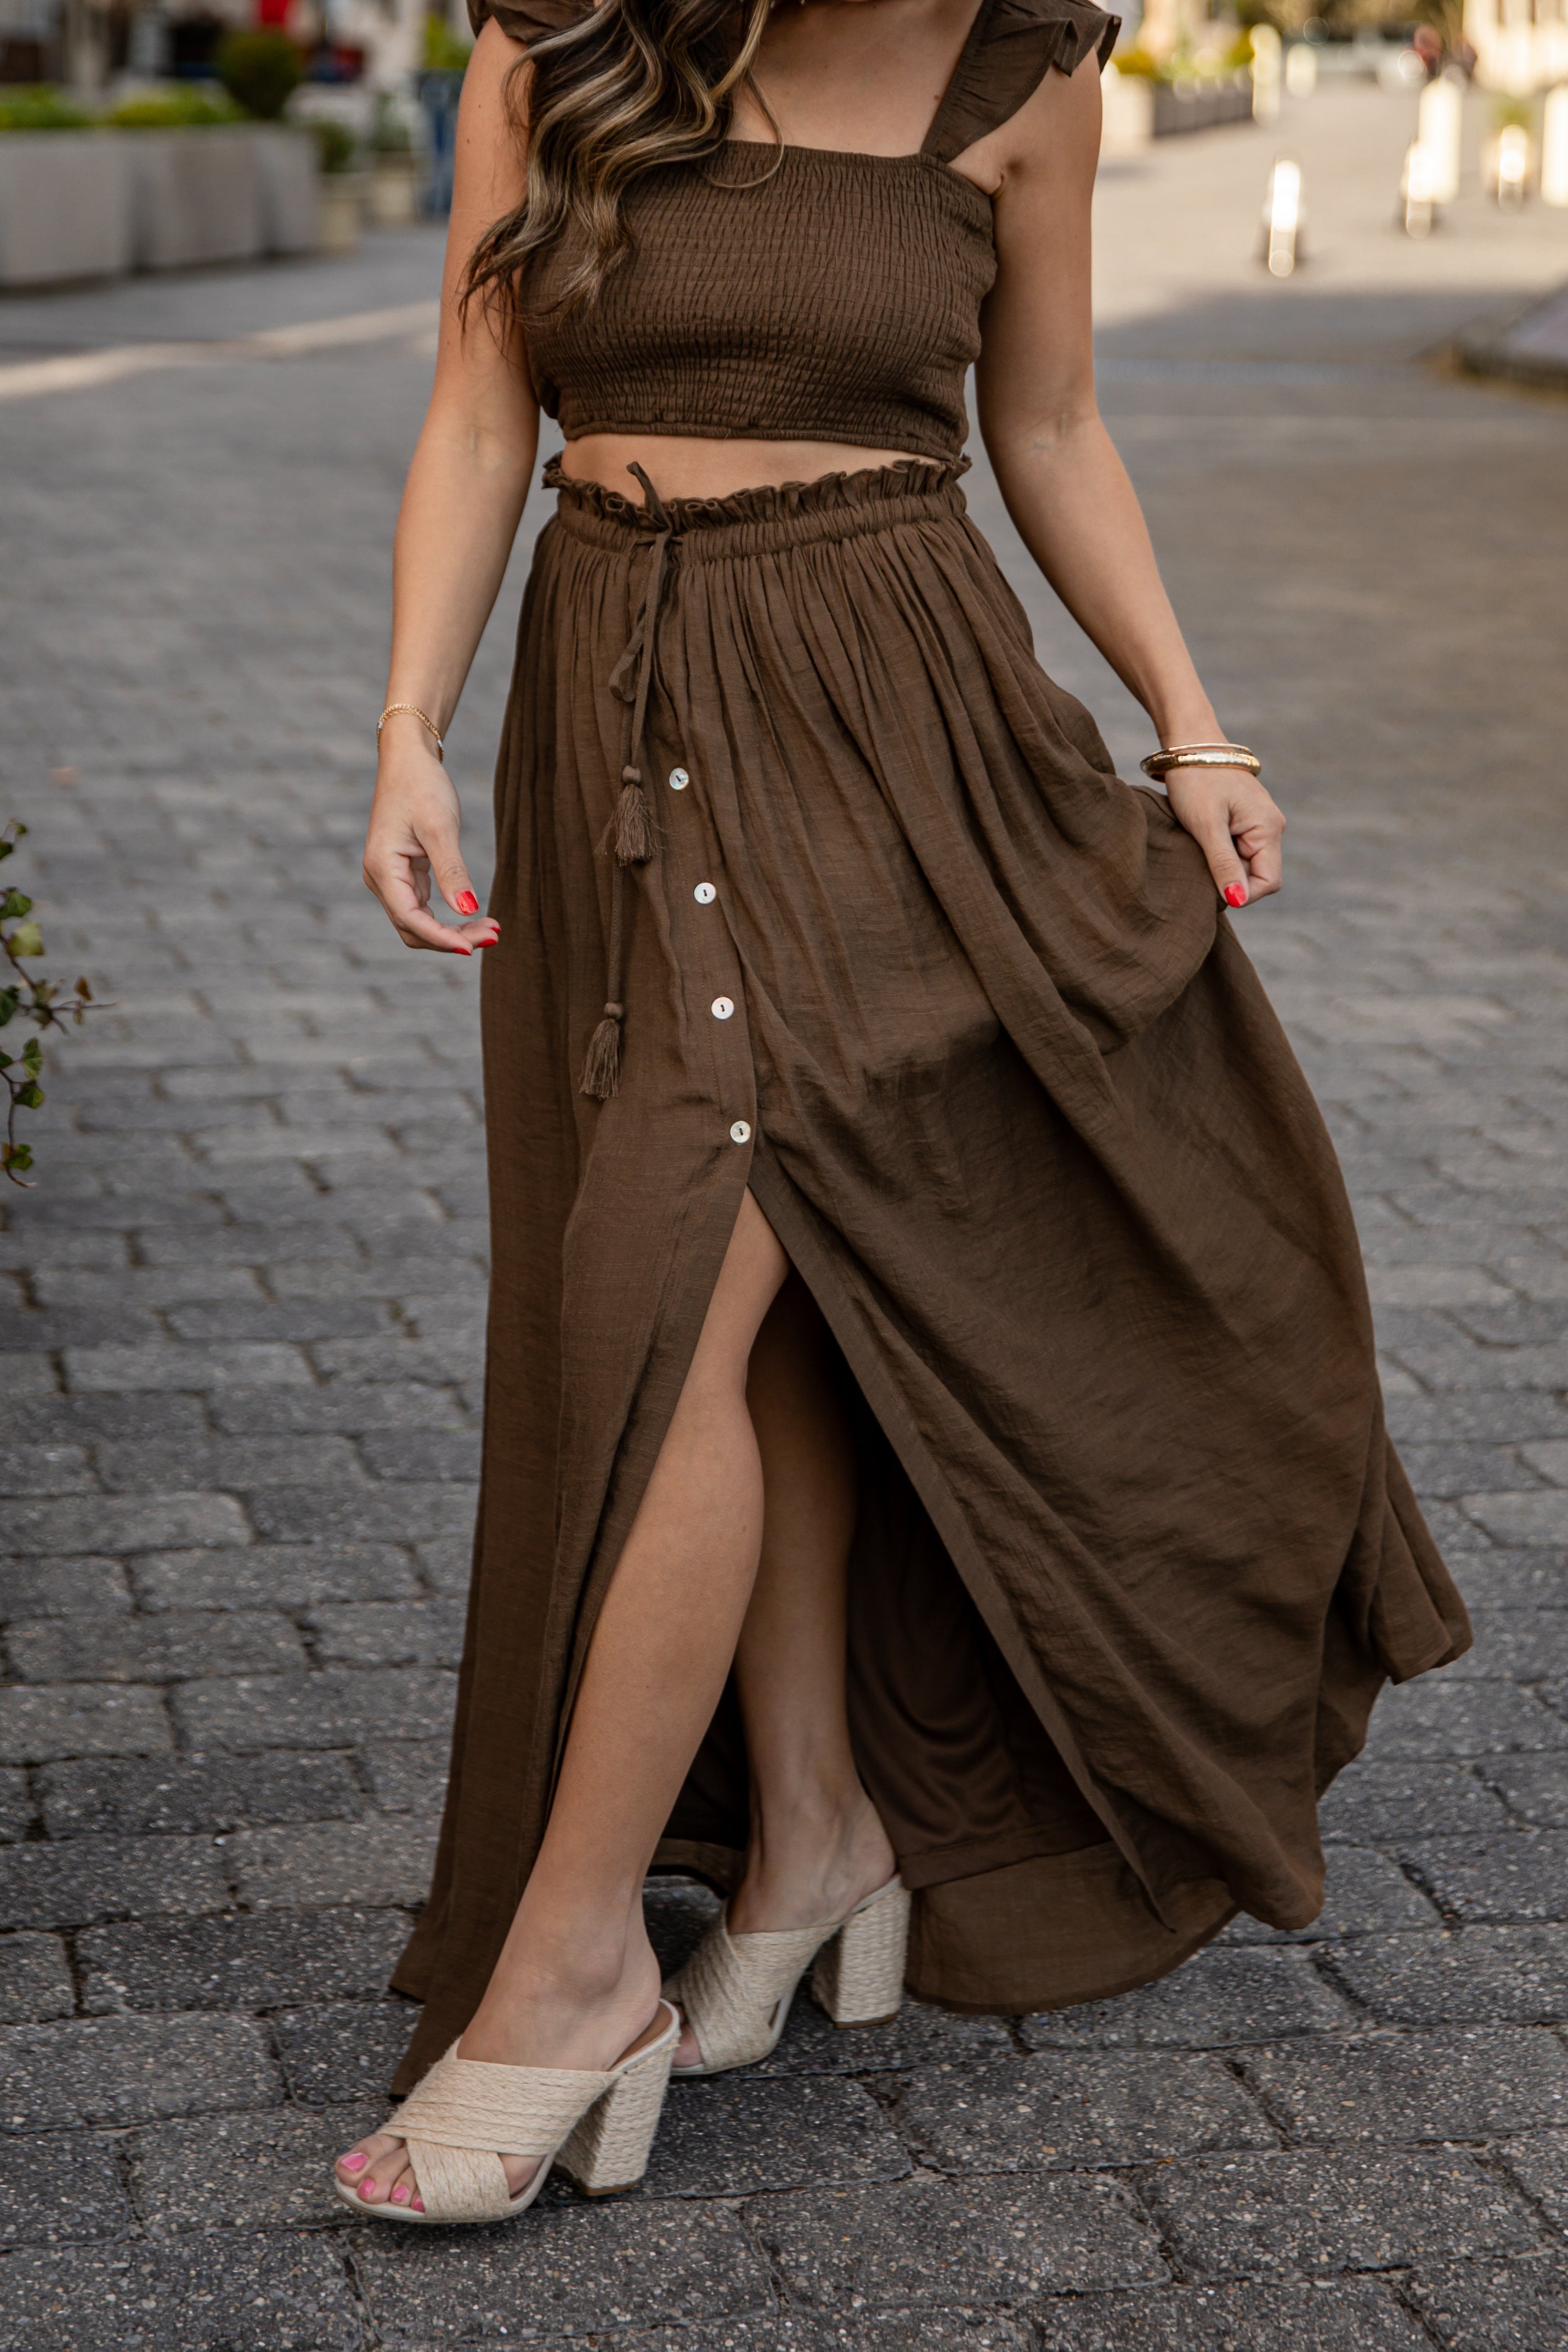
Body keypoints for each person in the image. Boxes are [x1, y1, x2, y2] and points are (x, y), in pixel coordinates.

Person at [334, 0, 1470, 2225]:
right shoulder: (551, 41)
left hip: (892, 740)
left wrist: (1193, 720)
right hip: (620, 712)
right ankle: (823, 1821)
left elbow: (1046, 421)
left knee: (666, 1290)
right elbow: (480, 404)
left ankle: (572, 1971)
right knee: (748, 1311)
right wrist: (405, 722)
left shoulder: (1030, 69)